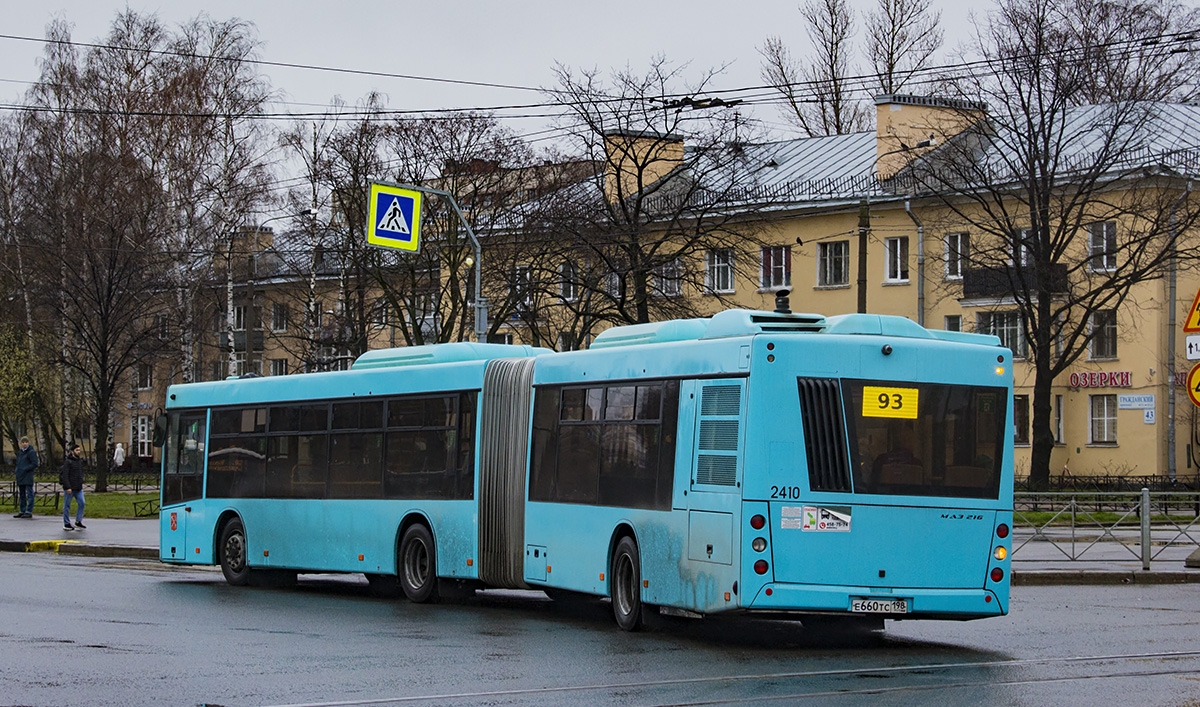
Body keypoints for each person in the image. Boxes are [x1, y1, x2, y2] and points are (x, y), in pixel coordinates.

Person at [59, 443, 86, 531]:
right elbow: (65, 475)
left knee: (82, 503)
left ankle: (78, 521)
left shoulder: (79, 461)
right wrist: (67, 487)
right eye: (77, 450)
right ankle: (66, 523)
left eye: (79, 450)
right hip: (70, 487)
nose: (78, 452)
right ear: (72, 451)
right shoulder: (68, 462)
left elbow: (79, 473)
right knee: (67, 506)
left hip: (78, 487)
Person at [13, 436, 39, 518]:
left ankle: (29, 511)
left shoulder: (31, 452)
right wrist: (17, 471)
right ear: (21, 443)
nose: (24, 444)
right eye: (23, 442)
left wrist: (25, 469)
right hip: (20, 475)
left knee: (29, 494)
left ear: (28, 443)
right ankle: (22, 510)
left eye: (26, 442)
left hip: (27, 475)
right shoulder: (20, 452)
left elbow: (34, 463)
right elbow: (18, 463)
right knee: (22, 494)